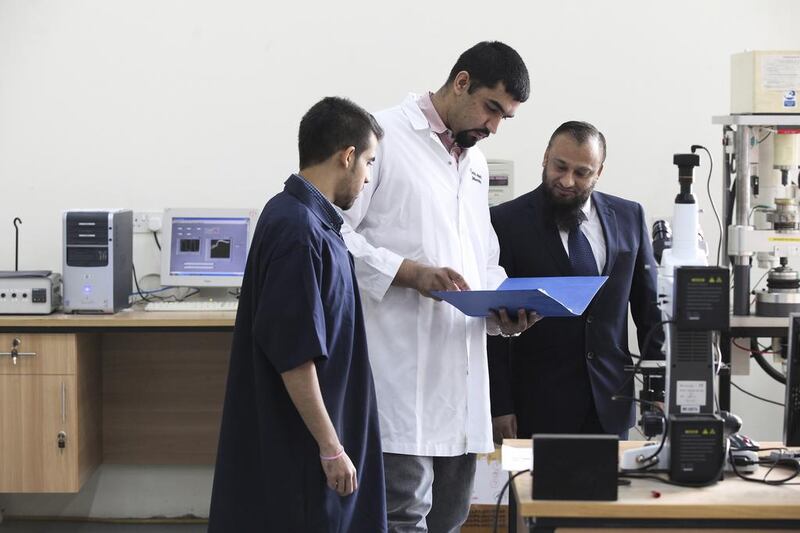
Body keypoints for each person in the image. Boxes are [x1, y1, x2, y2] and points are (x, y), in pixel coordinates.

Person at [340, 42, 536, 533]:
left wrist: (505, 308)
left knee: (451, 516)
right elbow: (335, 238)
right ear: (461, 82)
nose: (492, 126)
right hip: (398, 373)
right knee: (402, 516)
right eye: (492, 108)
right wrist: (409, 272)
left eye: (504, 119)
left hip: (461, 379)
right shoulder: (381, 138)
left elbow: (482, 258)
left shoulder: (473, 164)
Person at [208, 97, 387, 533]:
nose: (367, 178)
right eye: (368, 162)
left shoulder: (310, 221)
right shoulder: (298, 230)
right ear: (347, 157)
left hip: (316, 444)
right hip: (304, 452)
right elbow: (294, 356)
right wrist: (330, 447)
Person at [488, 121, 665, 442]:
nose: (567, 180)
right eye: (560, 167)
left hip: (611, 402)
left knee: (608, 492)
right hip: (535, 405)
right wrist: (499, 405)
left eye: (582, 172)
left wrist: (659, 387)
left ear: (599, 172)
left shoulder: (630, 217)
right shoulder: (505, 221)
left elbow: (649, 312)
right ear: (545, 157)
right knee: (532, 494)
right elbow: (493, 324)